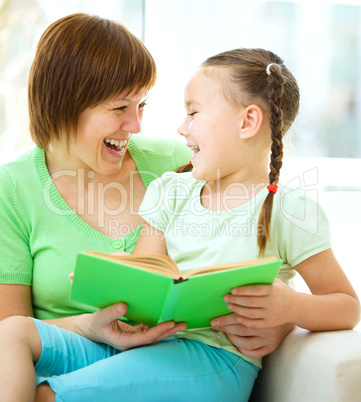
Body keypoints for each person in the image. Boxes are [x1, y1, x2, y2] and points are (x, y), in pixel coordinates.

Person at [1, 45, 360, 401]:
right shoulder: (172, 190)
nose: (181, 128)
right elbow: (149, 267)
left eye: (193, 113)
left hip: (213, 358)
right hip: (147, 344)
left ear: (247, 122)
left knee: (49, 394)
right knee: (13, 333)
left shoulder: (287, 209)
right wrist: (112, 279)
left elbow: (347, 305)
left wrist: (290, 307)